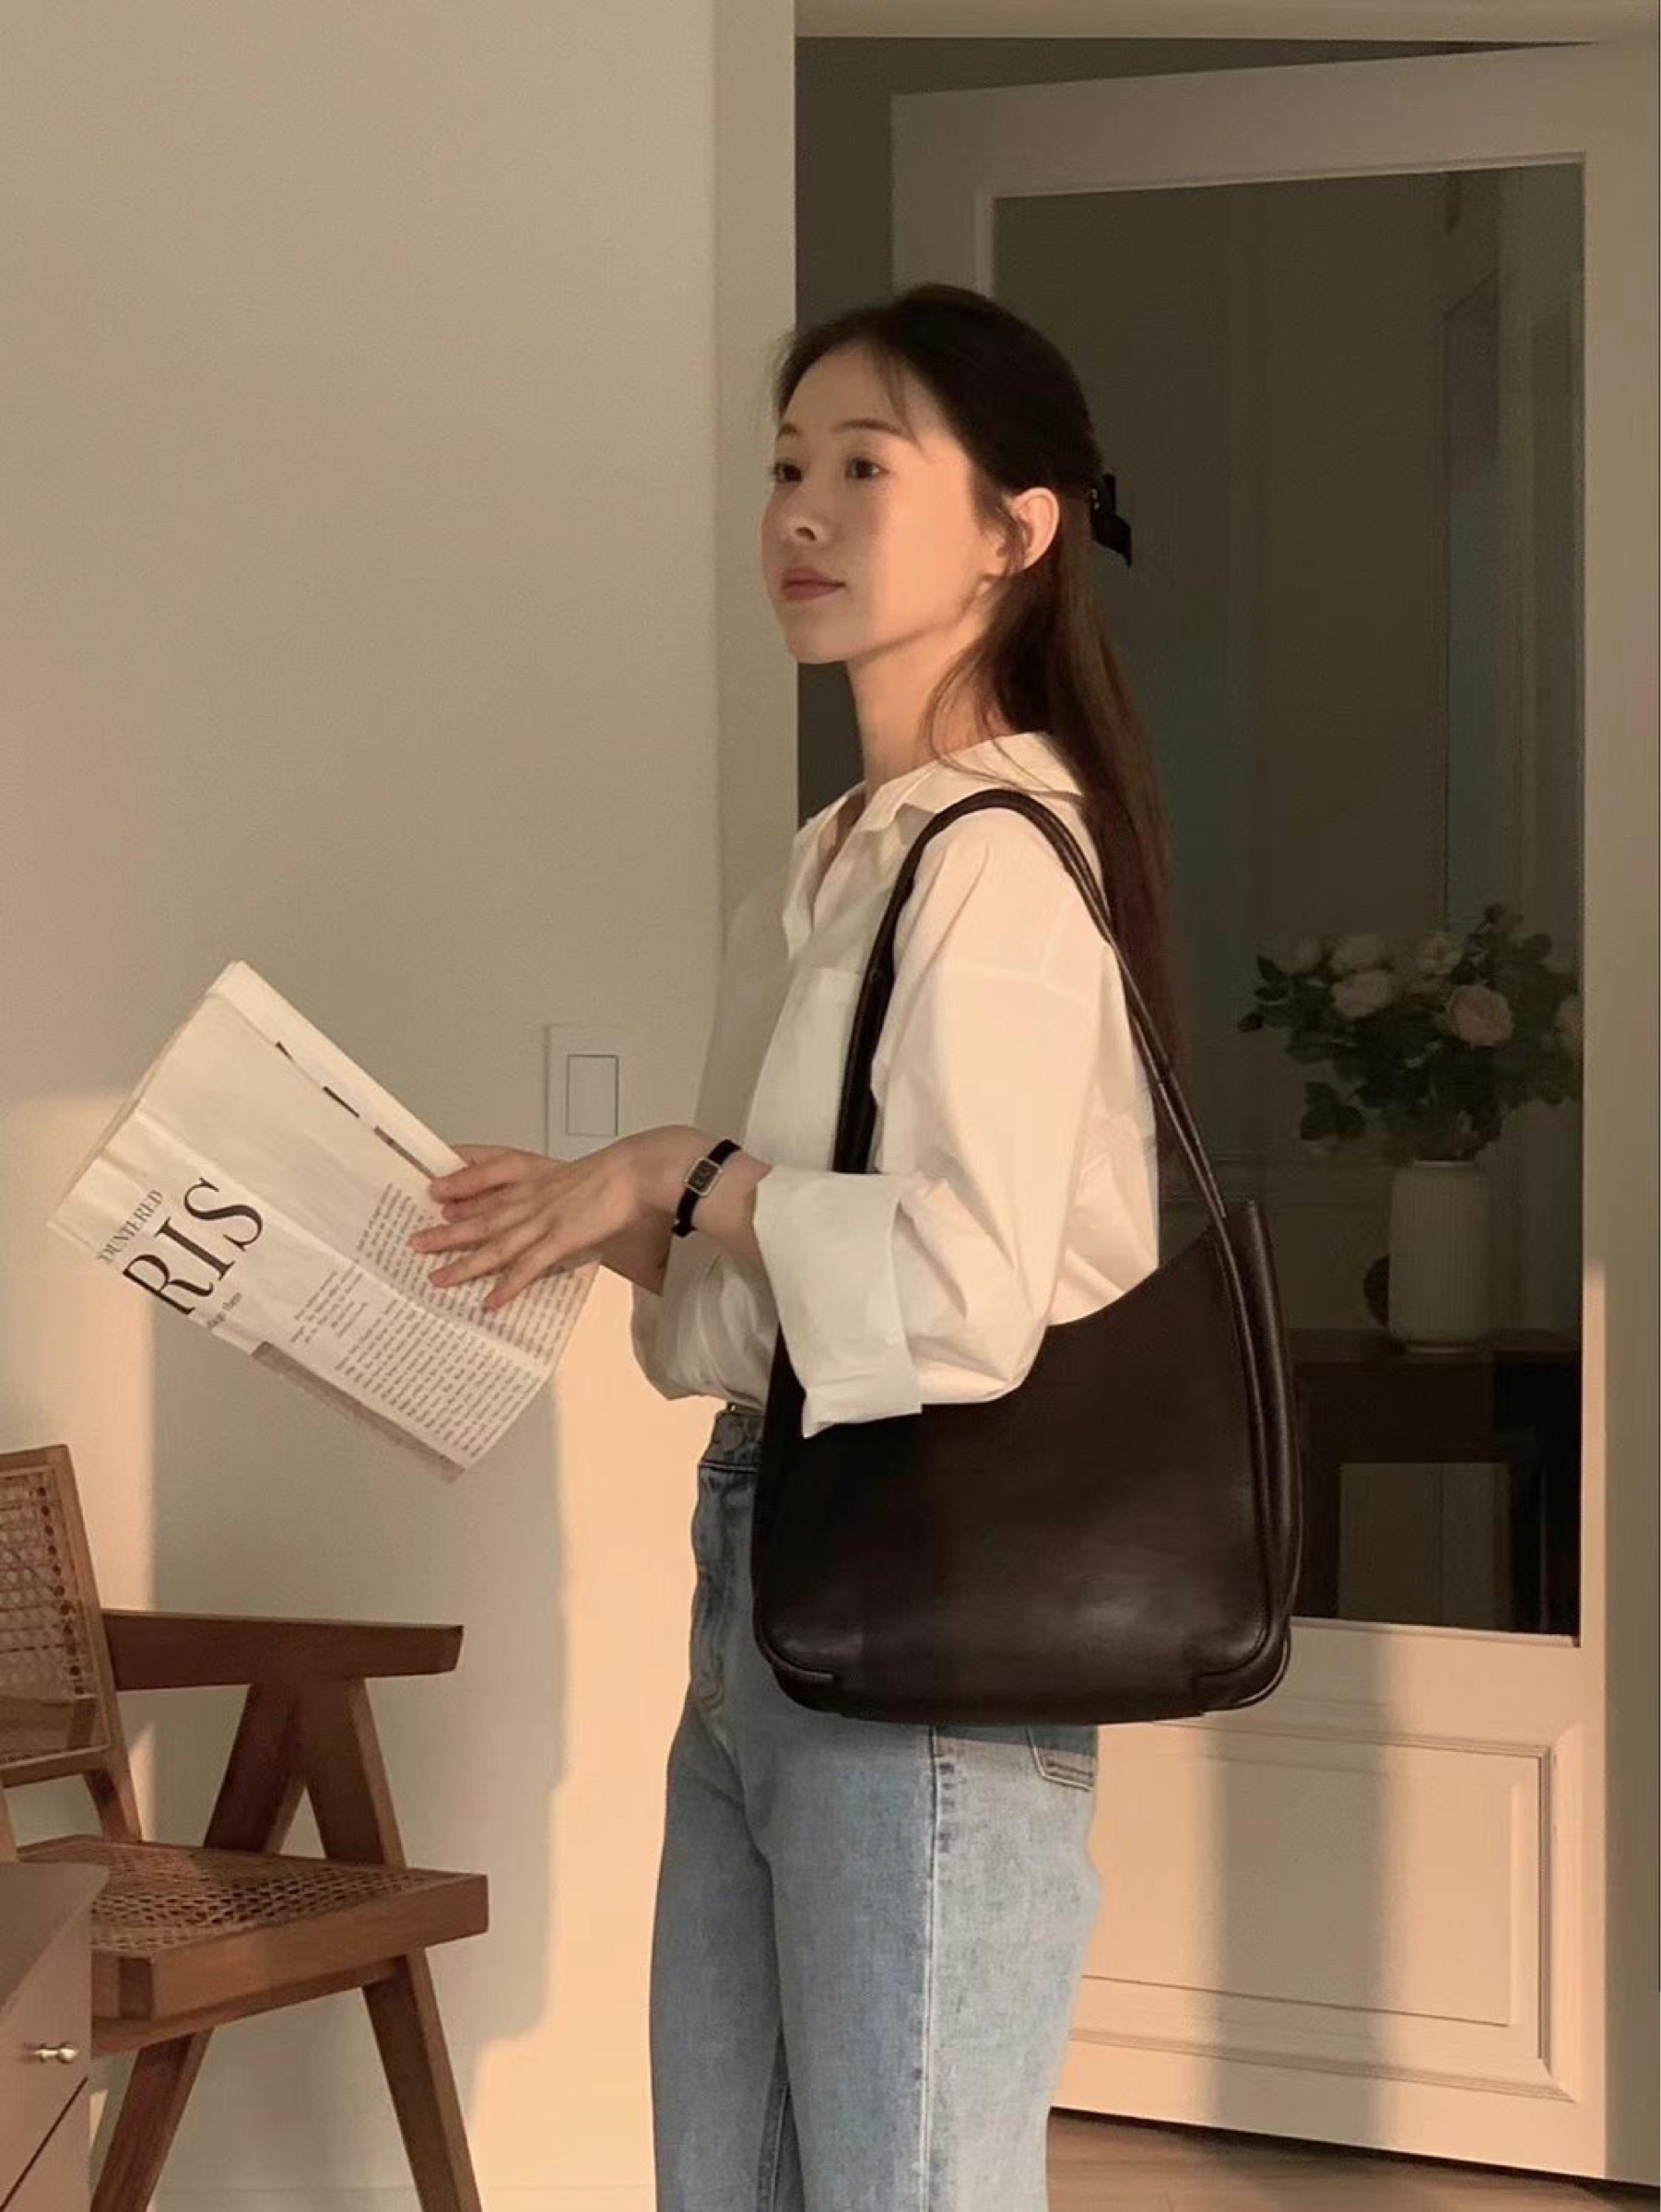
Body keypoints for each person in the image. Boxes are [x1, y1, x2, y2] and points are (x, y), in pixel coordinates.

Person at [408, 282, 1187, 2209]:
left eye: (863, 466)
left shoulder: (995, 859)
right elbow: (785, 1286)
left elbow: (960, 1299)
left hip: (918, 1596)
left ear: (1015, 531)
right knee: (733, 2181)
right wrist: (602, 1213)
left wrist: (685, 1173)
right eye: (781, 468)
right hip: (763, 1569)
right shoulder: (840, 853)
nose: (801, 514)